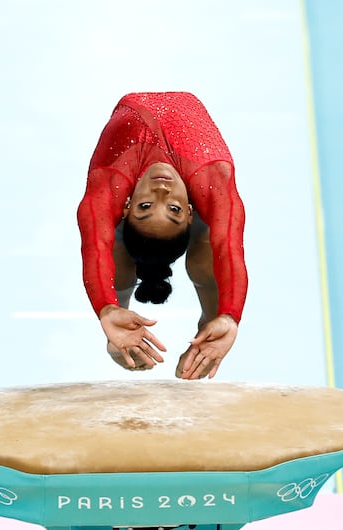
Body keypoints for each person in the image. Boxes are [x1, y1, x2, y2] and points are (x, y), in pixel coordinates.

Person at [77, 92, 248, 380]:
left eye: (146, 207)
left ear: (129, 206)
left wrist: (228, 316)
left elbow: (96, 246)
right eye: (173, 209)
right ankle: (119, 333)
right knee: (205, 243)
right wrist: (107, 310)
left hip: (143, 191)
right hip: (198, 189)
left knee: (206, 261)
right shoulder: (213, 178)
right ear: (189, 212)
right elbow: (229, 248)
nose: (161, 191)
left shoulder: (110, 183)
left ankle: (209, 327)